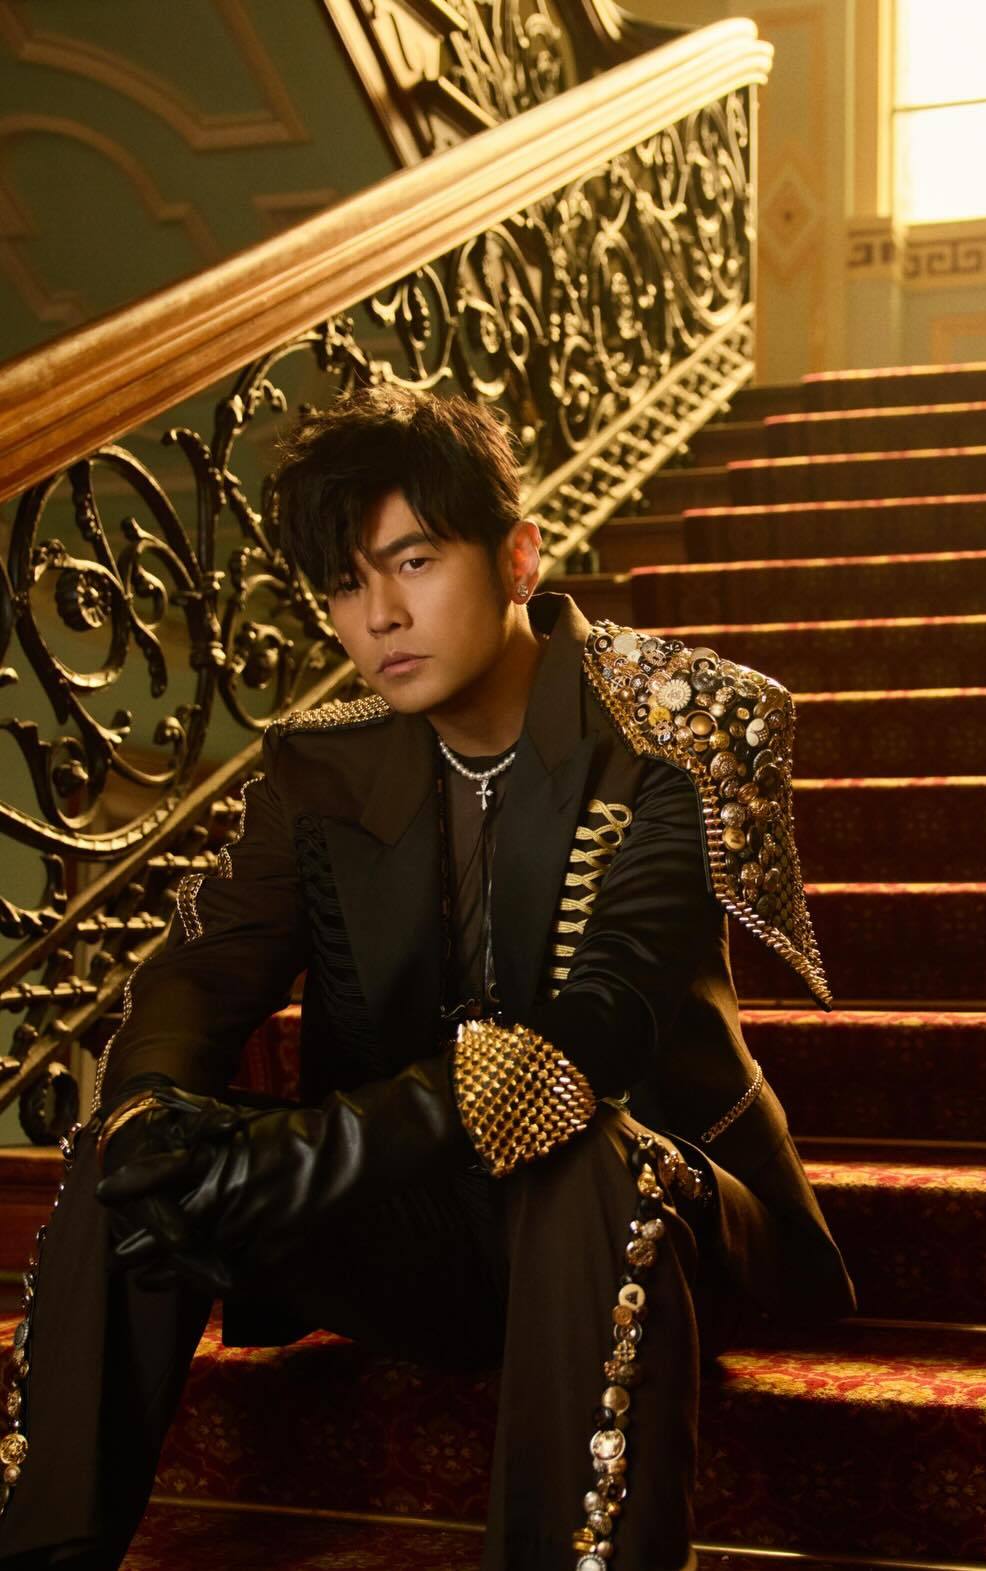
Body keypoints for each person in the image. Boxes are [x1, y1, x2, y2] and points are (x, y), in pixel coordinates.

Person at [0, 386, 853, 1570]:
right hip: (416, 1221)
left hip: (661, 1223)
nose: (381, 615)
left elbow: (593, 1031)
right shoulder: (321, 771)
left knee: (582, 1150)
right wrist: (152, 1112)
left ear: (518, 555)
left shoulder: (674, 730)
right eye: (345, 584)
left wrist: (290, 1158)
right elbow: (198, 970)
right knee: (132, 1151)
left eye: (413, 561)